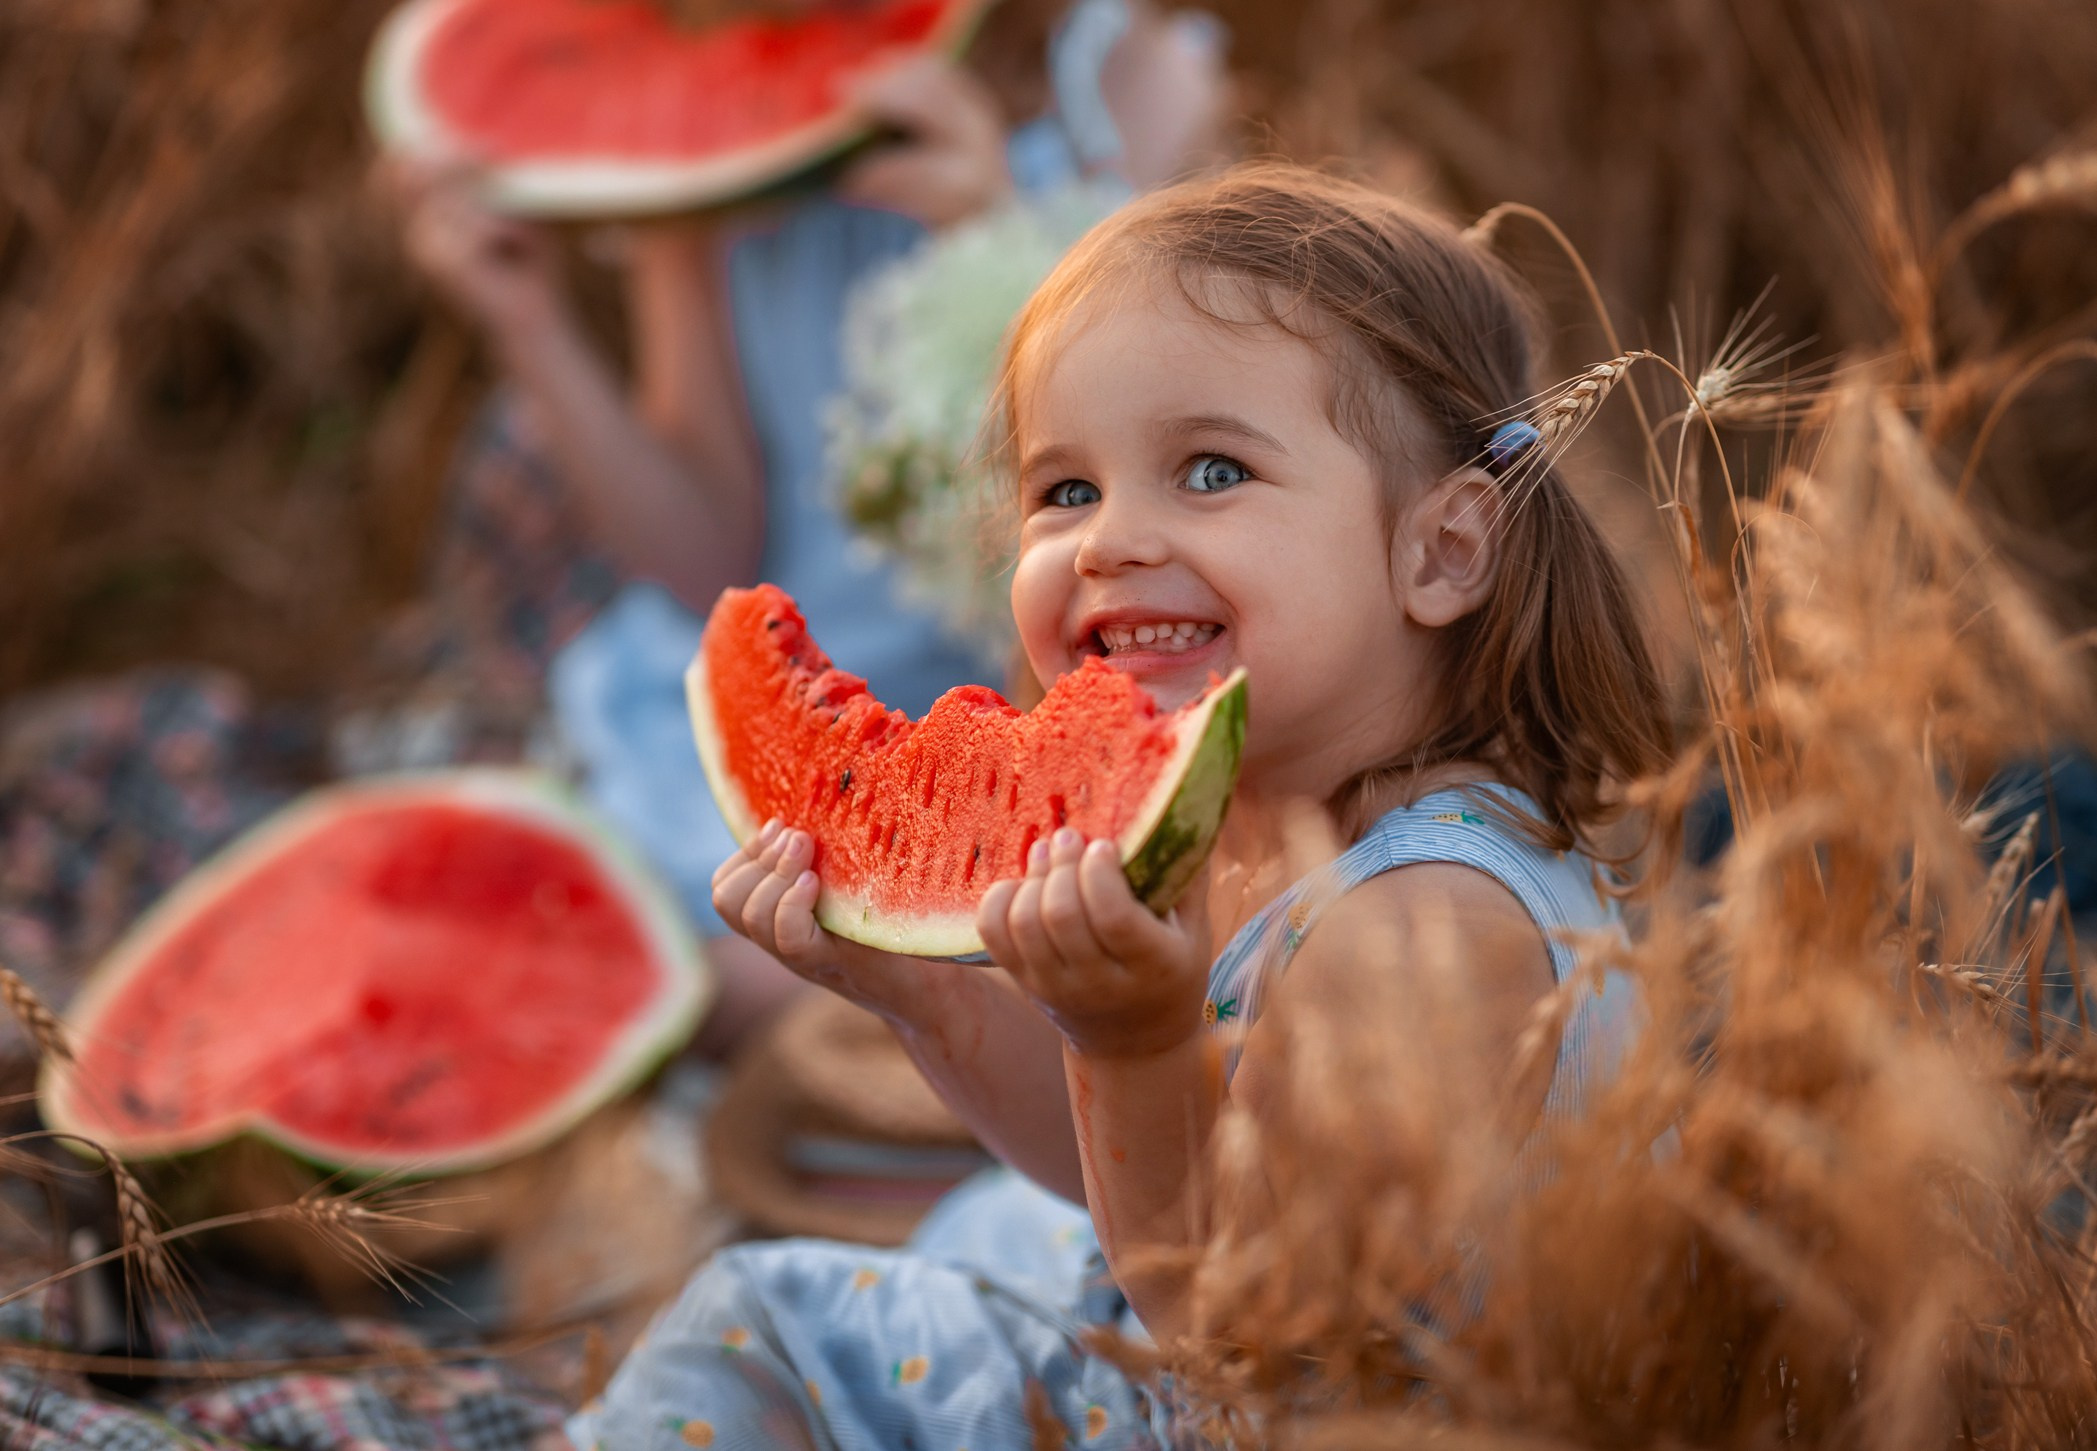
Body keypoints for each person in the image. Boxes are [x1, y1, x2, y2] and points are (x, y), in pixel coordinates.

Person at [571, 163, 1675, 1448]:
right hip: (1173, 1345)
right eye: (1064, 489)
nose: (1104, 542)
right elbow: (1123, 1171)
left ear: (1441, 550)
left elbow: (1249, 1331)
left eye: (1210, 471)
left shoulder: (1421, 924)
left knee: (762, 1317)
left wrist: (1135, 1042)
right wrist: (916, 984)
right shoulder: (1254, 816)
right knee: (982, 1227)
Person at [387, 0, 1232, 1049]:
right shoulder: (715, 151)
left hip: (1019, 703)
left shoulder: (1141, 98)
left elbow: (1173, 521)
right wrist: (527, 318)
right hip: (732, 724)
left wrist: (1000, 254)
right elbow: (706, 557)